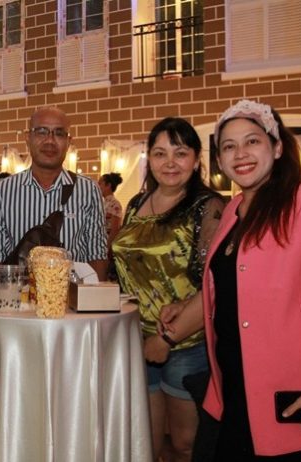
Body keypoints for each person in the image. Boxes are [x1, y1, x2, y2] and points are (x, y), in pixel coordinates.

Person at [112, 117, 225, 462]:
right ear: (149, 159)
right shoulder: (136, 204)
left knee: (184, 445)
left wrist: (166, 339)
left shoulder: (209, 207)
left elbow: (214, 284)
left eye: (180, 152)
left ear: (196, 160)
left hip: (187, 342)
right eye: (160, 153)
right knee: (146, 443)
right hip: (136, 338)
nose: (170, 162)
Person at [200, 100, 301, 460]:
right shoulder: (233, 209)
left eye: (252, 141)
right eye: (229, 146)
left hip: (288, 400)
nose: (240, 153)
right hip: (235, 391)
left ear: (277, 148)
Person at [0, 106, 108, 279]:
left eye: (59, 133)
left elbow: (97, 256)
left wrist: (94, 295)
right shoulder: (2, 192)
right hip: (19, 294)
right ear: (28, 138)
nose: (50, 141)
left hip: (70, 294)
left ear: (68, 142)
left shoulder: (88, 191)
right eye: (41, 132)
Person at [98, 172, 123, 280]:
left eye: (100, 183)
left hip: (106, 245)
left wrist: (107, 249)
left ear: (108, 185)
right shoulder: (102, 203)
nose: (98, 186)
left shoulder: (114, 204)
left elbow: (115, 229)